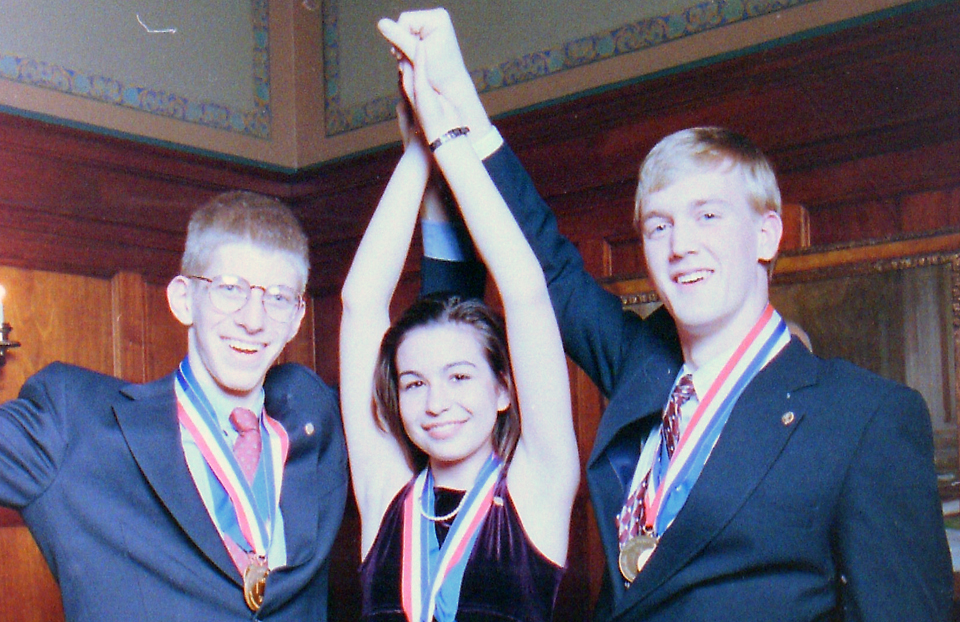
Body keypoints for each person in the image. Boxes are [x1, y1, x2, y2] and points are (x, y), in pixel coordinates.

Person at [379, 9, 955, 621]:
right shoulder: (642, 366)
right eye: (660, 226)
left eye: (708, 215)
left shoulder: (863, 416)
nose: (681, 246)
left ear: (767, 233)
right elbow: (549, 267)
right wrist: (457, 96)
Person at [0, 191, 348, 621]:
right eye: (229, 289)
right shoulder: (72, 422)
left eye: (277, 297)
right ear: (183, 299)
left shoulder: (312, 413)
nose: (253, 320)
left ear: (297, 317)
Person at [338, 63, 579, 621]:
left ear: (503, 390)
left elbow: (523, 290)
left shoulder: (536, 488)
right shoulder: (388, 499)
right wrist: (417, 147)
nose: (437, 403)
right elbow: (360, 303)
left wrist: (448, 137)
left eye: (460, 376)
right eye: (414, 383)